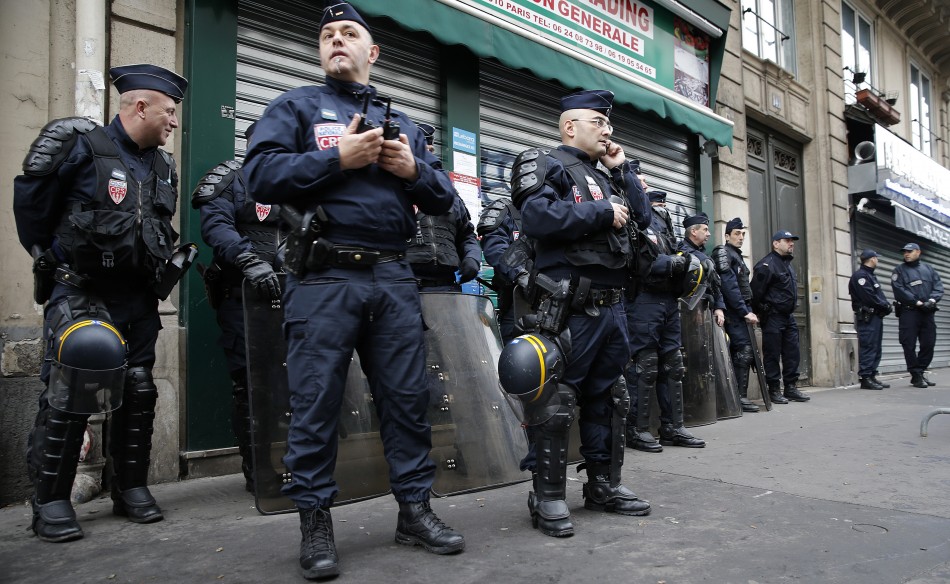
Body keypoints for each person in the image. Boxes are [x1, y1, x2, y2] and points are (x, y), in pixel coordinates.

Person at [242, 3, 464, 579]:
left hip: (393, 276)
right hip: (324, 276)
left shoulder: (405, 123)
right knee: (316, 404)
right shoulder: (294, 106)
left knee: (408, 400)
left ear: (374, 52)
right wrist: (335, 158)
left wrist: (413, 170)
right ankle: (315, 523)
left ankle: (415, 512)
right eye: (327, 35)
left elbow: (446, 199)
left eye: (349, 33)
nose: (336, 40)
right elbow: (259, 177)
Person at [13, 63, 188, 542]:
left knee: (138, 391)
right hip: (82, 291)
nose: (174, 122)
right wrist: (53, 260)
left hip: (136, 299)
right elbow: (32, 211)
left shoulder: (161, 165)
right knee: (71, 394)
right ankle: (50, 501)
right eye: (169, 112)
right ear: (139, 106)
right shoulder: (81, 147)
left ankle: (129, 488)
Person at [509, 88, 653, 538]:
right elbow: (535, 217)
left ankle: (603, 487)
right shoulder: (543, 161)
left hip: (614, 311)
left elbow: (642, 219)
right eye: (599, 122)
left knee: (610, 398)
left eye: (609, 124)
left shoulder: (607, 175)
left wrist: (622, 169)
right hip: (570, 307)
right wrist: (598, 211)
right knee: (556, 403)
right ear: (571, 125)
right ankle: (547, 495)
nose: (608, 130)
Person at [191, 122, 284, 491]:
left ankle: (296, 463)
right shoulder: (229, 179)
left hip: (288, 296)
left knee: (288, 384)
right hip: (243, 296)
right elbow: (216, 226)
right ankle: (258, 470)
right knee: (251, 384)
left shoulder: (294, 186)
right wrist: (249, 260)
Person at [407, 123, 481, 292]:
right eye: (422, 149)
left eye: (430, 150)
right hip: (406, 287)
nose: (428, 154)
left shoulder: (449, 193)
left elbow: (467, 234)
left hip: (446, 288)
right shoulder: (396, 189)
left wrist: (472, 258)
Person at [751, 230, 810, 404]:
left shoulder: (788, 265)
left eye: (792, 241)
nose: (791, 243)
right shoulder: (766, 265)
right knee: (772, 355)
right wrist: (760, 312)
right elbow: (755, 293)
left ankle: (791, 388)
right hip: (773, 316)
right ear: (776, 243)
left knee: (792, 353)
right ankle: (774, 390)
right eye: (787, 240)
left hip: (788, 317)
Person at [711, 218, 760, 412]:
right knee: (742, 351)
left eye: (743, 234)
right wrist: (744, 311)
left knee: (744, 352)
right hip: (733, 312)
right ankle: (738, 397)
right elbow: (729, 286)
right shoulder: (724, 253)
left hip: (740, 311)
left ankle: (740, 396)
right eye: (737, 233)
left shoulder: (736, 255)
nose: (741, 237)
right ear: (727, 235)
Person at [891, 242, 943, 388]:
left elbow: (938, 287)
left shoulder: (929, 269)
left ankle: (920, 371)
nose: (906, 254)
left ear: (918, 252)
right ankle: (915, 374)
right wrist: (918, 303)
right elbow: (899, 290)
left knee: (929, 343)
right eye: (904, 252)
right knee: (908, 344)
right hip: (909, 312)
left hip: (927, 313)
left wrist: (932, 301)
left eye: (910, 251)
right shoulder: (899, 271)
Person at [848, 249, 892, 390]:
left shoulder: (870, 276)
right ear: (872, 259)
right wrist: (885, 305)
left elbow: (878, 295)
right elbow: (870, 297)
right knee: (868, 346)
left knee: (876, 347)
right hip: (868, 317)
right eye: (876, 258)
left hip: (876, 317)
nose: (877, 261)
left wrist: (886, 306)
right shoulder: (861, 276)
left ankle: (872, 375)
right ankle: (865, 378)